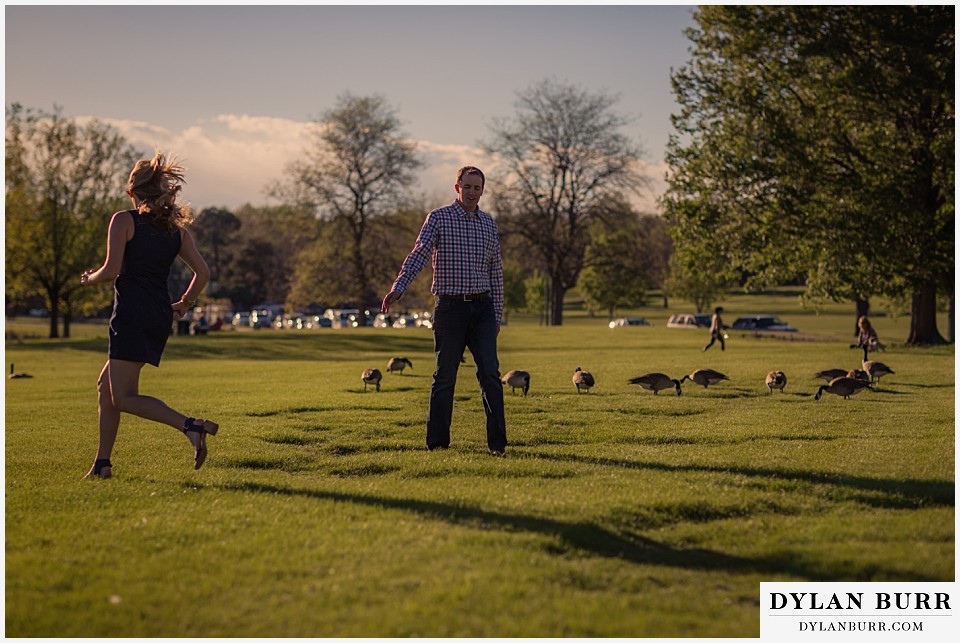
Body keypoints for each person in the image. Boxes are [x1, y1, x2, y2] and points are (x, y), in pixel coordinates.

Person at [80, 150, 218, 479]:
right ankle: (102, 464)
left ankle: (190, 426)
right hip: (158, 315)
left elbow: (112, 270)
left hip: (130, 314)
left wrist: (90, 277)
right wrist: (184, 303)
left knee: (125, 397)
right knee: (106, 387)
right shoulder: (177, 232)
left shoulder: (124, 220)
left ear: (133, 193)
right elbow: (203, 272)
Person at [381, 166, 507, 456]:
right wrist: (399, 287)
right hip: (450, 309)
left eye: (478, 188)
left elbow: (496, 272)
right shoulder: (438, 219)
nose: (472, 192)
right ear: (457, 187)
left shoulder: (489, 224)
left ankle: (498, 445)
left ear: (482, 191)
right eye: (468, 186)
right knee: (445, 376)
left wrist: (497, 314)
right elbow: (419, 253)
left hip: (483, 308)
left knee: (490, 373)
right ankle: (437, 444)